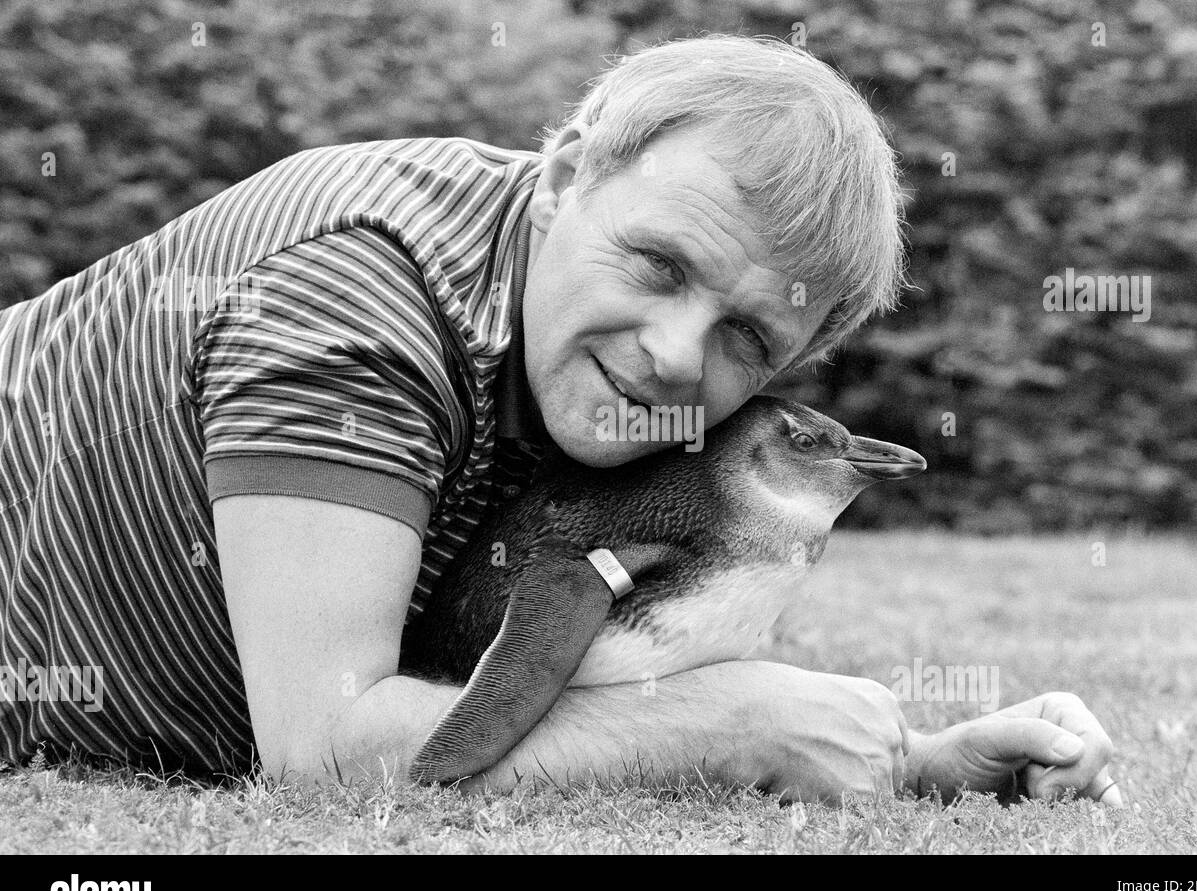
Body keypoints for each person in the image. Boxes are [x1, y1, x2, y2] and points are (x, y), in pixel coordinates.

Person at [0, 35, 1118, 806]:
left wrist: (908, 759)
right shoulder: (353, 298)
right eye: (658, 262)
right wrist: (730, 730)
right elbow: (328, 753)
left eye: (745, 339)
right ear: (568, 173)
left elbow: (505, 681)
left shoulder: (631, 401)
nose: (675, 352)